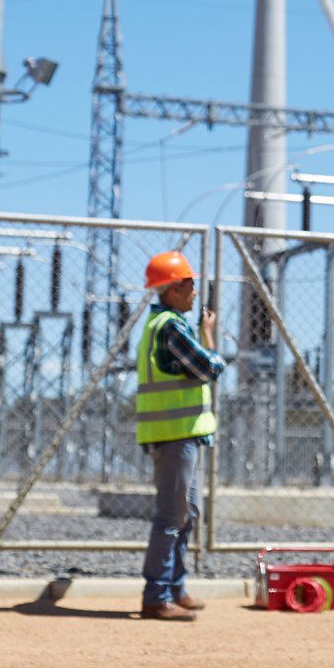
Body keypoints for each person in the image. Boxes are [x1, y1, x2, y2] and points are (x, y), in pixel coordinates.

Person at [136, 249, 224, 622]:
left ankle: (175, 588)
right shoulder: (171, 326)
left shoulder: (167, 324)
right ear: (172, 289)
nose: (194, 292)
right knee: (172, 515)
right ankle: (157, 596)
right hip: (175, 435)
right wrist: (213, 347)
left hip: (178, 434)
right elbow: (208, 368)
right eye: (189, 284)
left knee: (187, 513)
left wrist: (204, 335)